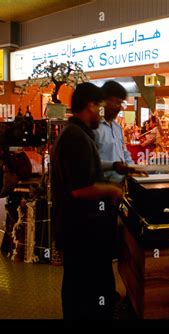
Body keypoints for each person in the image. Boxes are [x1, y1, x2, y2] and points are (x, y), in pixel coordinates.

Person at [51, 82, 124, 320]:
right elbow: (81, 189)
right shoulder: (76, 137)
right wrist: (112, 191)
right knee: (80, 286)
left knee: (78, 284)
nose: (102, 113)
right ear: (91, 106)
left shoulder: (77, 134)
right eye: (101, 107)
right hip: (80, 229)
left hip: (78, 228)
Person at [94, 80, 134, 184]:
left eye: (121, 103)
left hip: (119, 185)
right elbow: (90, 162)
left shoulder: (117, 127)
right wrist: (114, 166)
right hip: (101, 186)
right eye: (116, 102)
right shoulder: (94, 127)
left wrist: (132, 168)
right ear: (104, 101)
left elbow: (124, 152)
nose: (119, 107)